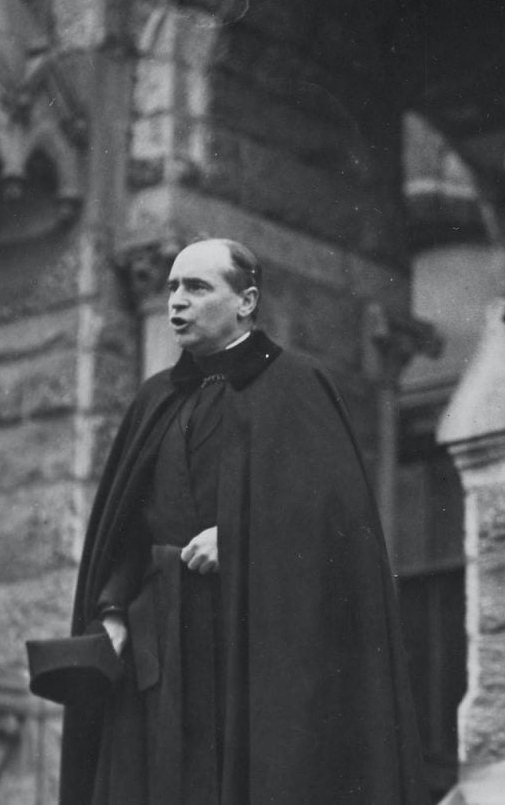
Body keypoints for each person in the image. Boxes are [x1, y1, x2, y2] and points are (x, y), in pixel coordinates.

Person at [50, 238, 426, 804]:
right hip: (161, 644)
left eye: (197, 287)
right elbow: (126, 531)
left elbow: (338, 533)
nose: (177, 301)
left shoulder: (297, 386)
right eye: (173, 287)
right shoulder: (156, 399)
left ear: (246, 301)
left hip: (249, 643)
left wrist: (244, 539)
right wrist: (110, 612)